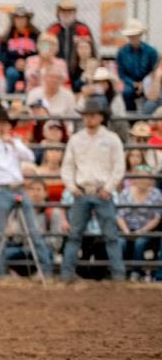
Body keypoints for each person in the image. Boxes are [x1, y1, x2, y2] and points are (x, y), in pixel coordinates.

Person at [0, 107, 53, 278]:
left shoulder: (15, 142)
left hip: (17, 188)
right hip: (0, 189)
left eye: (4, 124)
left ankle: (46, 271)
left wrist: (13, 144)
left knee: (33, 230)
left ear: (9, 126)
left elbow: (30, 157)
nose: (2, 127)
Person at [60, 98, 126, 282]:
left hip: (99, 191)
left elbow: (119, 167)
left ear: (100, 117)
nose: (89, 119)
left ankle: (117, 275)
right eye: (86, 116)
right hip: (84, 190)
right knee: (78, 235)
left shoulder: (111, 139)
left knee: (107, 236)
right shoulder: (77, 139)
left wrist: (108, 188)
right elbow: (67, 167)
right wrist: (72, 187)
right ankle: (67, 274)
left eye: (92, 115)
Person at [117, 163, 161, 281]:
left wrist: (141, 231)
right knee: (121, 242)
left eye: (146, 177)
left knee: (140, 242)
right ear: (134, 180)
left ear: (151, 180)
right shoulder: (125, 192)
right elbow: (119, 216)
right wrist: (126, 231)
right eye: (139, 177)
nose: (143, 180)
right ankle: (121, 271)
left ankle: (136, 272)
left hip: (146, 229)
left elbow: (157, 218)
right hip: (126, 228)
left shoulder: (156, 194)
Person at [46, 0, 96, 88]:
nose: (67, 14)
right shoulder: (52, 29)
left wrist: (92, 64)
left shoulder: (82, 28)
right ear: (58, 12)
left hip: (77, 70)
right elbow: (44, 47)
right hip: (57, 69)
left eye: (70, 11)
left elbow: (91, 49)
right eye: (64, 11)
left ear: (74, 12)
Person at [115, 19, 158, 112]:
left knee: (152, 95)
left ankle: (147, 117)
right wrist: (133, 83)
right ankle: (132, 119)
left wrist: (144, 83)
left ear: (140, 35)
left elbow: (154, 70)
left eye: (135, 35)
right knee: (126, 92)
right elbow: (121, 74)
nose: (133, 38)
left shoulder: (151, 52)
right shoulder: (122, 52)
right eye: (131, 36)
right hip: (130, 83)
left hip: (148, 82)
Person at [0, 7, 39, 93]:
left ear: (27, 20)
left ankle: (28, 99)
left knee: (31, 74)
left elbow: (40, 53)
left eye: (23, 18)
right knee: (12, 74)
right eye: (17, 18)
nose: (20, 21)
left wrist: (27, 62)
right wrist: (14, 63)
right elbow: (2, 56)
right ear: (14, 20)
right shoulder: (6, 37)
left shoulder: (36, 35)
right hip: (12, 67)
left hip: (31, 67)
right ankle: (10, 98)